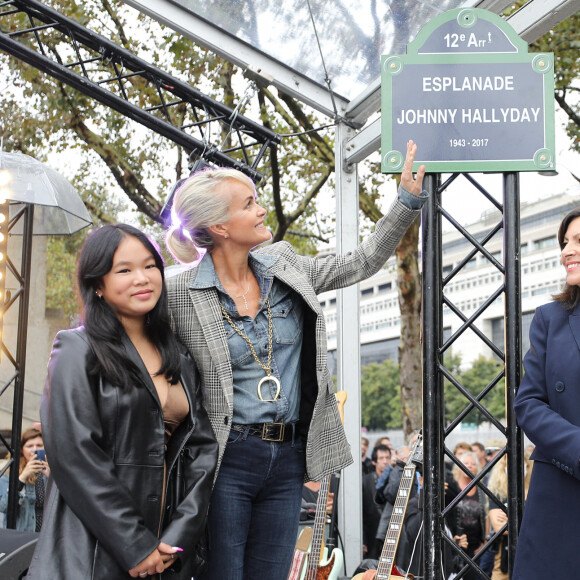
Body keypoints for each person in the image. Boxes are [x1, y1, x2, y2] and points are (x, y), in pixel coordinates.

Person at [164, 140, 427, 579]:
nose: (262, 210)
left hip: (288, 459)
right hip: (225, 460)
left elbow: (360, 263)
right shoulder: (177, 294)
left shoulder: (284, 263)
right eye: (249, 203)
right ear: (221, 227)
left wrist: (405, 202)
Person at [26, 224, 218, 580]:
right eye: (124, 270)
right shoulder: (76, 348)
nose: (142, 279)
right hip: (93, 545)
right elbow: (73, 454)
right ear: (97, 285)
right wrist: (135, 544)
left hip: (165, 550)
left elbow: (202, 452)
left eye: (150, 266)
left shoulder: (178, 355)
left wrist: (176, 539)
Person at [512, 205, 580, 579]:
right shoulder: (549, 319)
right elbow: (528, 403)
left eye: (578, 241)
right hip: (560, 492)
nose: (567, 250)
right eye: (564, 242)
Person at [446, 451, 487, 580]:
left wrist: (485, 542)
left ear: (477, 468)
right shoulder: (451, 487)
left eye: (472, 464)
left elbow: (486, 516)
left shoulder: (481, 489)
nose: (469, 466)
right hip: (455, 545)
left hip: (475, 547)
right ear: (458, 466)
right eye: (466, 463)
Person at [0, 427, 49, 531]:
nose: (34, 449)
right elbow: (4, 507)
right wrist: (22, 477)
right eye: (29, 446)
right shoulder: (10, 473)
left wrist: (52, 477)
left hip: (46, 537)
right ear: (22, 449)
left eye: (39, 445)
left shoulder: (54, 471)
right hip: (20, 536)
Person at [362, 444, 391, 556]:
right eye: (381, 458)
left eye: (387, 458)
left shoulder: (394, 480)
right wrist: (362, 540)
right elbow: (361, 514)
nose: (385, 461)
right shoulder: (365, 482)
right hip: (371, 536)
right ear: (374, 461)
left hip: (390, 535)